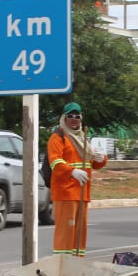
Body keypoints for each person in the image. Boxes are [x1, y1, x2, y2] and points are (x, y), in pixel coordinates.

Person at [46, 101, 106, 257]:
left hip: (82, 194)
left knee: (79, 235)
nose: (74, 119)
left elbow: (92, 164)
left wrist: (100, 159)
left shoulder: (83, 138)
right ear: (64, 118)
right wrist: (72, 171)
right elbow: (55, 162)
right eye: (70, 116)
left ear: (81, 118)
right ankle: (62, 267)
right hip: (66, 193)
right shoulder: (58, 137)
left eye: (77, 116)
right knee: (65, 235)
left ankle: (76, 266)